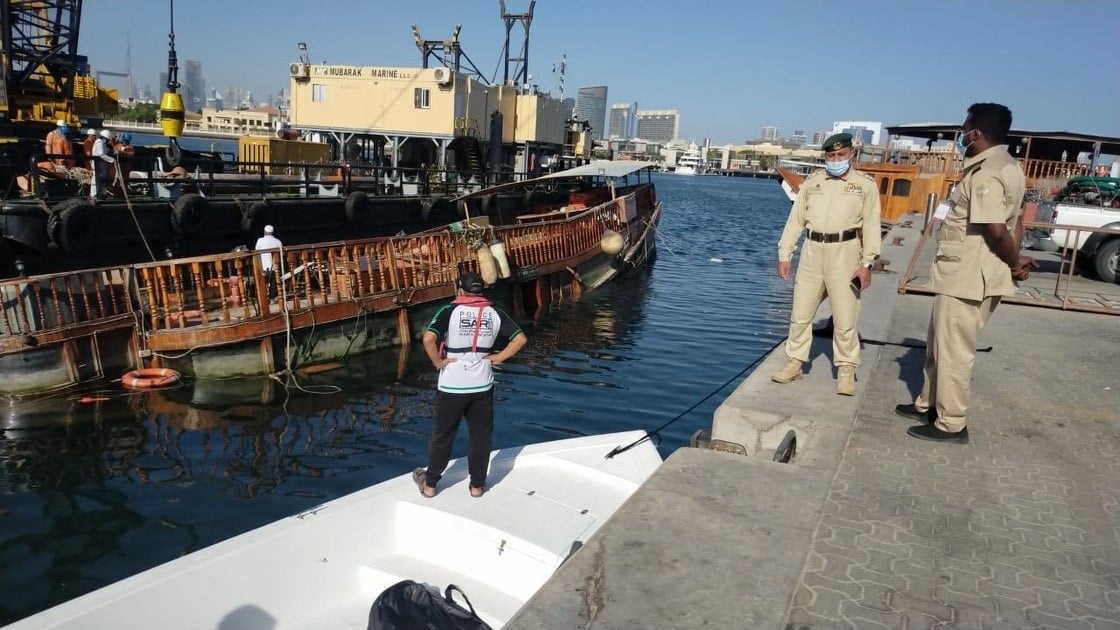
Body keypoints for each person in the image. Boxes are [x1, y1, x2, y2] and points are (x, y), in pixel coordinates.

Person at [897, 103, 1031, 444]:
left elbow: (997, 230)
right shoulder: (1006, 165)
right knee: (939, 344)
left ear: (977, 133)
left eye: (965, 127)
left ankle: (951, 423)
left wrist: (1015, 265)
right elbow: (1016, 222)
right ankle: (929, 403)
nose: (961, 134)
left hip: (971, 277)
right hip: (963, 275)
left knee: (954, 352)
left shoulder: (987, 172)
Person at [772, 132, 882, 396]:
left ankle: (846, 370)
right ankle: (796, 363)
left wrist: (867, 263)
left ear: (851, 154)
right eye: (831, 156)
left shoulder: (865, 185)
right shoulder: (813, 183)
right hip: (813, 251)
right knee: (800, 314)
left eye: (840, 155)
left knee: (845, 317)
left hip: (846, 252)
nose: (835, 160)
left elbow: (871, 225)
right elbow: (796, 220)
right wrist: (785, 254)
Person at [414, 272, 528, 498]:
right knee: (480, 436)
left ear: (460, 289)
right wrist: (498, 357)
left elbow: (429, 339)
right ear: (481, 290)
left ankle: (430, 484)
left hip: (452, 384)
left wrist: (438, 362)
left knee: (443, 435)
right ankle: (477, 486)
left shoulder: (449, 310)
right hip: (482, 383)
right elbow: (520, 338)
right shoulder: (494, 312)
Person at [254, 224, 283, 299]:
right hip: (274, 267)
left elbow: (256, 253)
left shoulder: (260, 241)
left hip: (262, 267)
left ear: (264, 232)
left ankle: (263, 298)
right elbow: (281, 255)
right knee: (273, 284)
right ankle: (272, 298)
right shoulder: (278, 242)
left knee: (262, 285)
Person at [90, 129, 117, 198]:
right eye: (108, 139)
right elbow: (101, 154)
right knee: (96, 178)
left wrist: (114, 152)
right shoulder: (99, 142)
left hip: (102, 164)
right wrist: (112, 160)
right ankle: (94, 194)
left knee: (102, 178)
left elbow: (106, 151)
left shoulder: (103, 143)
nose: (108, 141)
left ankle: (101, 193)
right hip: (97, 164)